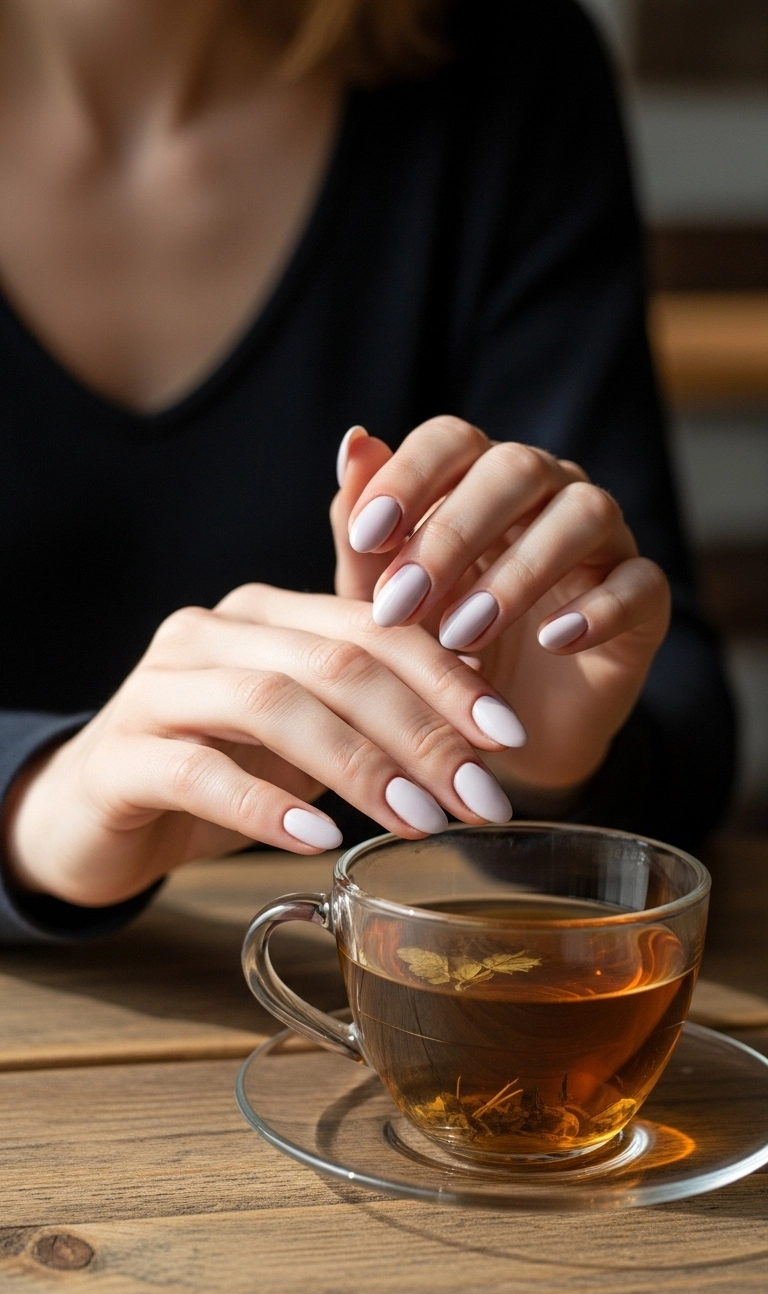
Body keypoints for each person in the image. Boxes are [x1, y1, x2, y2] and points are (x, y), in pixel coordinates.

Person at [0, 0, 734, 943]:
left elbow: (684, 724)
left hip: (421, 990)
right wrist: (33, 800)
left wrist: (537, 764)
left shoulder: (500, 65)